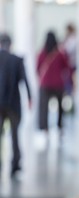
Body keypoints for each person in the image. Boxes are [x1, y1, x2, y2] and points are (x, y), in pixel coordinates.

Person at [0, 33, 32, 176]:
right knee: (14, 135)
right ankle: (15, 164)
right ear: (10, 44)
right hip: (13, 104)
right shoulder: (17, 60)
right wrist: (30, 97)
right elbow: (25, 80)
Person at [37, 30, 70, 133]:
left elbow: (37, 68)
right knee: (60, 106)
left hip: (45, 84)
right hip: (58, 84)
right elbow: (67, 67)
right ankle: (59, 126)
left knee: (44, 107)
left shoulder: (41, 54)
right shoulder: (60, 53)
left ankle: (45, 129)